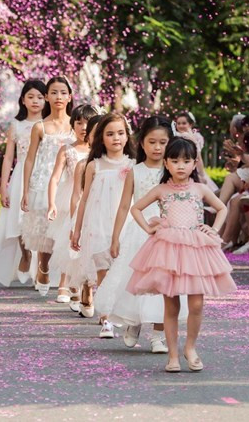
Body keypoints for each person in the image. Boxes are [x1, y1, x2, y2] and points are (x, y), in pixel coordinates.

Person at [125, 137, 235, 373]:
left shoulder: (200, 188)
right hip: (168, 250)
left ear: (195, 164)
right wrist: (149, 228)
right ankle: (173, 355)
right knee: (171, 305)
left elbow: (222, 207)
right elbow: (135, 208)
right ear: (166, 163)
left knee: (196, 303)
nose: (181, 166)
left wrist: (213, 229)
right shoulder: (161, 190)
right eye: (175, 161)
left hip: (195, 249)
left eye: (186, 161)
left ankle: (191, 348)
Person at [96, 116, 184, 354]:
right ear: (142, 143)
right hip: (139, 231)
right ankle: (133, 322)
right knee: (134, 281)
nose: (157, 147)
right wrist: (115, 238)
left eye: (163, 142)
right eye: (152, 142)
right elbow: (125, 206)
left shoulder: (174, 170)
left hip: (168, 233)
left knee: (164, 284)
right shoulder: (135, 171)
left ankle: (158, 335)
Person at [70, 112, 135, 338]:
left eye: (120, 133)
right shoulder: (94, 166)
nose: (116, 138)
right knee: (102, 271)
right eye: (110, 134)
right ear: (101, 138)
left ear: (127, 136)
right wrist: (77, 229)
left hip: (124, 224)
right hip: (97, 223)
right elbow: (84, 199)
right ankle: (106, 318)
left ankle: (123, 314)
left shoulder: (133, 165)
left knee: (122, 270)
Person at [0, 80, 46, 286]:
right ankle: (26, 254)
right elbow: (8, 158)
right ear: (23, 100)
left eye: (39, 97)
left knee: (41, 220)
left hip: (44, 174)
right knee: (20, 220)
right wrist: (3, 187)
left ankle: (41, 267)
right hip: (21, 176)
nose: (35, 101)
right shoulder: (16, 125)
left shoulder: (50, 126)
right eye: (31, 97)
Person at [20, 76, 76, 296]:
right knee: (46, 231)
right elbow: (30, 159)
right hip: (44, 181)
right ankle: (43, 266)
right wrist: (25, 189)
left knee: (66, 229)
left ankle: (64, 281)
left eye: (63, 92)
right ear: (47, 97)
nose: (58, 97)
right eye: (54, 92)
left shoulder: (76, 125)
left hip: (69, 180)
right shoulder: (40, 127)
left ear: (69, 97)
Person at [46, 104, 99, 304]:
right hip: (71, 197)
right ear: (73, 125)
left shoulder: (99, 151)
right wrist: (51, 203)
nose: (84, 127)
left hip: (94, 199)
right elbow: (55, 177)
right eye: (79, 122)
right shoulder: (67, 149)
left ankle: (82, 285)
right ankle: (64, 282)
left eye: (88, 123)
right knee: (67, 243)